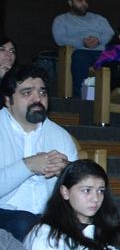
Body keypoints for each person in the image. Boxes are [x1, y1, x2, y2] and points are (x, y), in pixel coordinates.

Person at [0, 65, 78, 239]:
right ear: (7, 100)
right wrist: (27, 166)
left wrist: (67, 172)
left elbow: (80, 189)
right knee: (25, 223)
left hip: (49, 217)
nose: (37, 99)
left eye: (42, 93)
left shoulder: (60, 136)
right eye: (27, 93)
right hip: (5, 215)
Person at [52, 0, 115, 97]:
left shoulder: (98, 18)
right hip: (79, 51)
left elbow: (110, 32)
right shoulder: (61, 19)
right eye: (79, 0)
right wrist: (81, 42)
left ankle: (107, 98)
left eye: (86, 1)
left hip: (100, 52)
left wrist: (98, 40)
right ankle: (82, 100)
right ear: (70, 2)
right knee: (80, 58)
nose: (84, 3)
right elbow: (60, 39)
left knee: (115, 60)